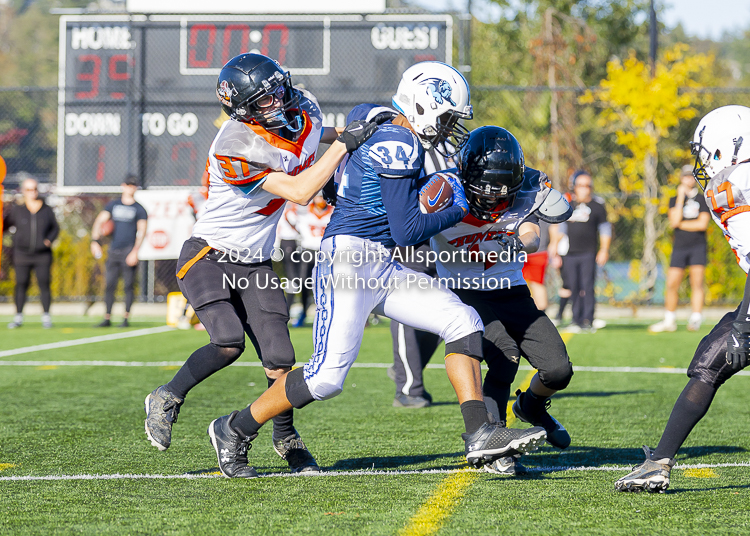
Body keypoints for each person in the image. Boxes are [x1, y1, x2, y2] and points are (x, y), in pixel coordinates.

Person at [205, 61, 547, 478]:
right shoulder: (401, 144)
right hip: (348, 261)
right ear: (425, 106)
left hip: (380, 262)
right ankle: (233, 428)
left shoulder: (376, 117)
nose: (450, 129)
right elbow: (408, 230)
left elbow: (358, 123)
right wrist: (461, 206)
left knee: (463, 320)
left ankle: (479, 432)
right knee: (326, 377)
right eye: (448, 118)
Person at [143, 53, 377, 475]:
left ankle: (285, 438)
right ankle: (167, 396)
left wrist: (343, 133)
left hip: (255, 261)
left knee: (280, 359)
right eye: (266, 101)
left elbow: (310, 136)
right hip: (209, 255)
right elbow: (300, 190)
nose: (280, 102)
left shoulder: (300, 105)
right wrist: (344, 144)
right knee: (228, 342)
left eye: (279, 90)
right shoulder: (233, 146)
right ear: (242, 110)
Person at [615, 105, 750, 493]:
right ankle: (659, 460)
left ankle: (657, 463)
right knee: (708, 358)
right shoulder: (730, 181)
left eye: (705, 150)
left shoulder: (740, 180)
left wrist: (744, 322)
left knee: (710, 362)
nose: (700, 160)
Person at [431, 126, 574, 475]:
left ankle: (531, 405)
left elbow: (532, 231)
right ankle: (492, 444)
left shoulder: (524, 191)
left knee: (558, 369)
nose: (494, 200)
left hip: (510, 289)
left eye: (502, 192)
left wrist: (521, 243)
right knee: (504, 356)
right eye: (486, 191)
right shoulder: (442, 192)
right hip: (463, 292)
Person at [388, 140, 454, 408]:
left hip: (446, 234)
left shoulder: (449, 143)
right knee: (406, 308)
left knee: (446, 309)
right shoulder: (404, 144)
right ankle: (408, 388)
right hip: (413, 234)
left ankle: (406, 368)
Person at [649, 164, 710, 333]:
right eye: (685, 176)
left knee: (697, 283)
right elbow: (674, 221)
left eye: (691, 176)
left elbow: (702, 224)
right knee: (672, 283)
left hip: (698, 246)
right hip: (680, 247)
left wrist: (682, 224)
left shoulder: (702, 199)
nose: (688, 179)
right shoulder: (674, 199)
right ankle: (669, 320)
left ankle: (696, 318)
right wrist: (681, 198)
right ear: (681, 178)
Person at [549, 170, 611, 332]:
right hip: (570, 253)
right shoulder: (568, 205)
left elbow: (605, 229)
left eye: (588, 185)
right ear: (574, 187)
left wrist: (604, 250)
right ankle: (575, 320)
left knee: (587, 286)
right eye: (581, 185)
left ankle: (588, 320)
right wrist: (554, 245)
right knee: (573, 286)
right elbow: (561, 227)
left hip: (588, 253)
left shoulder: (597, 206)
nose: (584, 189)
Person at [90, 176, 148, 328]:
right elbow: (100, 221)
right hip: (114, 250)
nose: (131, 187)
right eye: (128, 184)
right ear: (123, 186)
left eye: (134, 185)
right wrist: (95, 241)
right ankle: (107, 317)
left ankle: (125, 318)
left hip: (128, 250)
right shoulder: (113, 205)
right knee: (110, 284)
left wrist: (135, 251)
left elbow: (142, 231)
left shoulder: (139, 209)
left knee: (128, 285)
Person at [2, 177, 59, 329]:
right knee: (21, 284)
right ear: (23, 191)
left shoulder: (46, 209)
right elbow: (4, 225)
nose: (32, 192)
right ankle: (18, 317)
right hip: (21, 254)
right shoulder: (17, 210)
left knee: (44, 284)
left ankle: (46, 316)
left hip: (42, 255)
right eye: (28, 189)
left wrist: (48, 241)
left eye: (34, 189)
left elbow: (55, 228)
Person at [285, 193, 333, 327]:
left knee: (326, 283)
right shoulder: (305, 211)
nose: (321, 200)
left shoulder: (332, 211)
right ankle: (304, 313)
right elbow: (289, 215)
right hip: (308, 250)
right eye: (318, 197)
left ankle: (326, 312)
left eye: (323, 197)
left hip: (324, 252)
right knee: (304, 283)